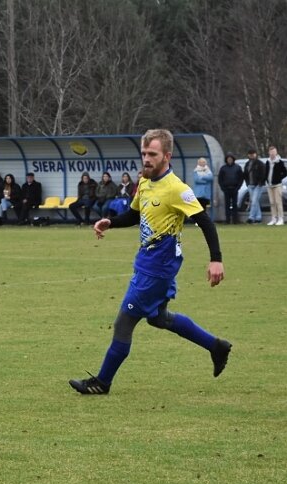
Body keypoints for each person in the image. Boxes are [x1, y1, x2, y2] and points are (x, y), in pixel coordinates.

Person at [69, 129, 231, 395]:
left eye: (152, 154)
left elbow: (205, 222)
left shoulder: (177, 189)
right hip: (147, 262)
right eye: (144, 153)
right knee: (159, 318)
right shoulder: (144, 182)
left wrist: (216, 260)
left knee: (124, 323)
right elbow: (134, 215)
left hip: (157, 269)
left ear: (166, 156)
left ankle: (102, 382)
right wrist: (111, 222)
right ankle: (216, 346)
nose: (146, 158)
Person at [217, 153, 244, 224]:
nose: (229, 160)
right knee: (227, 205)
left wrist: (238, 187)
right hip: (226, 189)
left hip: (235, 188)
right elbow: (220, 179)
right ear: (226, 160)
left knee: (235, 204)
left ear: (233, 159)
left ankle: (235, 220)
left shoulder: (237, 167)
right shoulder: (223, 168)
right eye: (228, 159)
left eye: (231, 159)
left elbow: (241, 178)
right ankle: (227, 220)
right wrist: (223, 188)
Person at [263, 145, 286, 225]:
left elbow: (285, 172)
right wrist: (265, 180)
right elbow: (266, 172)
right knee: (272, 202)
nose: (272, 153)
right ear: (269, 153)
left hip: (277, 185)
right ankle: (273, 218)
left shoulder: (279, 162)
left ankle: (281, 218)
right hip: (269, 185)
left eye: (274, 152)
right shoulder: (267, 161)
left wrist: (279, 178)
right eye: (271, 152)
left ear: (276, 152)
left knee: (278, 202)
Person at [243, 149, 266, 224]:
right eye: (250, 154)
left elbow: (263, 174)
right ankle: (258, 217)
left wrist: (260, 183)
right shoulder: (247, 164)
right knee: (255, 202)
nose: (251, 155)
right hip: (250, 185)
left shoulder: (260, 164)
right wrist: (247, 183)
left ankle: (251, 217)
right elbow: (245, 174)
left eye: (253, 154)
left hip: (258, 185)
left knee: (254, 201)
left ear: (256, 154)